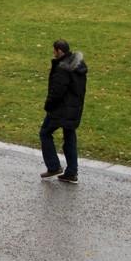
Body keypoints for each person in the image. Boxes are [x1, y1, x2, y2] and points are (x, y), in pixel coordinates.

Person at [40, 39, 87, 184]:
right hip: (74, 109)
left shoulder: (62, 69)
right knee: (70, 138)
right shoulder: (79, 66)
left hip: (60, 109)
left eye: (54, 50)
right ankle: (71, 172)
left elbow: (57, 92)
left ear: (59, 51)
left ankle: (53, 166)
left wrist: (48, 106)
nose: (53, 53)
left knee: (45, 133)